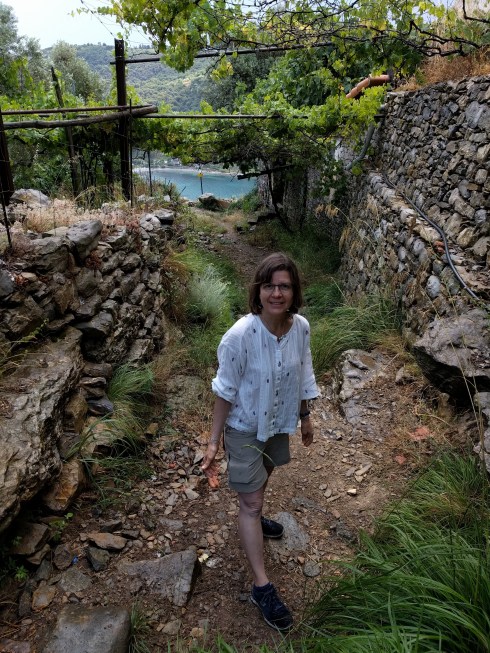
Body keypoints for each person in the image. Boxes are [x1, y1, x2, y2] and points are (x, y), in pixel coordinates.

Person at [201, 252, 318, 631]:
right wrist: (214, 441)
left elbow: (303, 371)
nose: (277, 294)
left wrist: (304, 416)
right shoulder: (239, 337)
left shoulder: (300, 328)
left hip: (279, 422)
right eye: (269, 286)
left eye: (284, 286)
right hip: (244, 427)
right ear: (258, 290)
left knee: (263, 480)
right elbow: (224, 391)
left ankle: (254, 513)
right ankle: (261, 586)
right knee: (249, 502)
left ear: (294, 291)